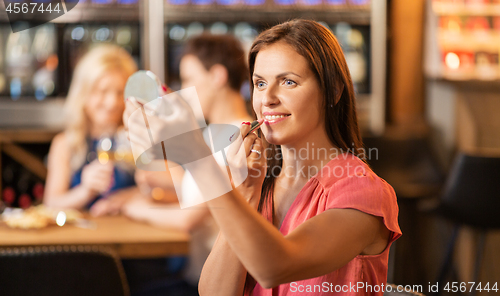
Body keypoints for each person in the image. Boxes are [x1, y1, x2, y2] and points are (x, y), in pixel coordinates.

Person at [124, 20, 401, 296]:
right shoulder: (260, 184)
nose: (267, 98)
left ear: (333, 91)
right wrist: (244, 194)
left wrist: (197, 158)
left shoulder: (363, 193)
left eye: (288, 82)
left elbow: (275, 267)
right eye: (260, 83)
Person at [123, 34, 253, 288]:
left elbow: (190, 218)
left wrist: (134, 210)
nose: (183, 91)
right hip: (199, 276)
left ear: (218, 76)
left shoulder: (240, 139)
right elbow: (198, 199)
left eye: (188, 79)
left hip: (211, 285)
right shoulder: (211, 135)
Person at [44, 44, 138, 216]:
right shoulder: (65, 144)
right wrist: (85, 191)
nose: (112, 103)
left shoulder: (137, 139)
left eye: (119, 93)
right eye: (102, 91)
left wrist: (124, 199)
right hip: (81, 240)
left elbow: (160, 192)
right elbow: (50, 204)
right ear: (83, 94)